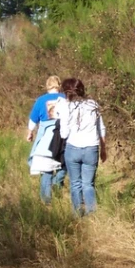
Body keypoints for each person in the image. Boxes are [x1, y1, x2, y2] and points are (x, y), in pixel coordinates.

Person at [58, 77, 106, 215]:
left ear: (66, 92)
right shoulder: (93, 105)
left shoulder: (66, 107)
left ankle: (77, 213)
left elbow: (63, 134)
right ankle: (92, 213)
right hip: (91, 148)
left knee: (75, 184)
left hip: (73, 148)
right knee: (88, 184)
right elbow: (101, 128)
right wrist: (104, 149)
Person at [27, 75, 66, 204]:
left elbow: (33, 120)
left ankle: (46, 202)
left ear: (47, 86)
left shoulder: (40, 100)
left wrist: (30, 133)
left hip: (46, 139)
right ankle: (57, 182)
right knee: (64, 165)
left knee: (46, 171)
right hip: (63, 138)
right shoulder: (65, 99)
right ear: (59, 85)